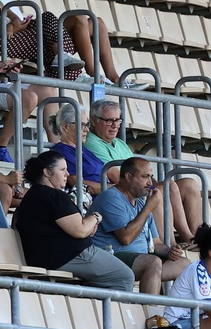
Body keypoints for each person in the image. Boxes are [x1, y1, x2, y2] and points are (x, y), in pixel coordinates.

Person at [12, 150, 133, 290]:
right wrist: (95, 218)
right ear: (47, 172)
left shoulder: (32, 195)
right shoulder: (53, 195)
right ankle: (111, 312)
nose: (67, 174)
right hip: (66, 256)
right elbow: (80, 230)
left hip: (49, 258)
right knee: (124, 277)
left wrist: (87, 227)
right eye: (62, 170)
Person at [84, 98, 202, 239]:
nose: (115, 126)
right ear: (94, 120)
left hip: (139, 187)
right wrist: (154, 187)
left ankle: (197, 237)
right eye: (109, 120)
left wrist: (154, 184)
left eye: (118, 121)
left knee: (188, 184)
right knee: (164, 189)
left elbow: (142, 171)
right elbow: (119, 178)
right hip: (126, 193)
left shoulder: (120, 143)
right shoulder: (91, 142)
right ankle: (176, 242)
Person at [90, 156, 189, 297]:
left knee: (185, 265)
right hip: (111, 258)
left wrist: (169, 251)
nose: (150, 182)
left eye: (151, 177)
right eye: (145, 177)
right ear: (129, 177)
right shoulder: (111, 197)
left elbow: (156, 243)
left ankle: (177, 314)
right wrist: (149, 207)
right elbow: (126, 238)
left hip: (141, 259)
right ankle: (150, 313)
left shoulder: (141, 203)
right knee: (153, 262)